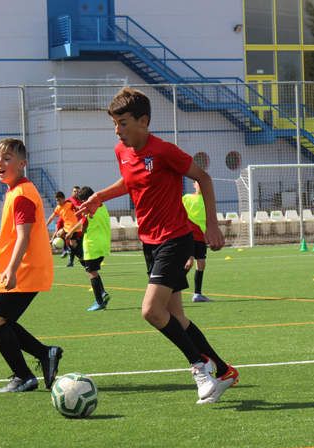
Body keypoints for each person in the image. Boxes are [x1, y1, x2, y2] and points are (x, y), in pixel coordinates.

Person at [77, 87, 238, 404]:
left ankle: (200, 369)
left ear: (144, 121)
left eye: (123, 123)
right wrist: (98, 198)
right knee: (176, 317)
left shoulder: (164, 151)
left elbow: (203, 178)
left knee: (151, 311)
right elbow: (129, 181)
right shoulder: (122, 152)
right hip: (149, 243)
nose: (118, 130)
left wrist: (213, 226)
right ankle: (222, 370)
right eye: (115, 124)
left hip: (175, 240)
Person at [0, 138, 63, 392]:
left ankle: (25, 375)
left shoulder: (22, 195)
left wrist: (12, 268)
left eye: (7, 159)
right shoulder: (16, 190)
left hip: (25, 269)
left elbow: (24, 236)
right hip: (24, 268)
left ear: (22, 164)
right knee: (0, 321)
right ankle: (45, 354)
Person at [75, 186, 112, 311]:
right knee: (93, 269)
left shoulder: (90, 210)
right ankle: (102, 293)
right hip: (103, 243)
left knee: (91, 272)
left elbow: (83, 227)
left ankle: (99, 302)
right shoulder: (102, 206)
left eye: (82, 201)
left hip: (92, 244)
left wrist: (69, 233)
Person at [182, 180, 211, 302]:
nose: (200, 185)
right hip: (188, 234)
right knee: (189, 262)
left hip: (201, 236)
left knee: (202, 264)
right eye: (197, 183)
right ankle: (169, 287)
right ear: (194, 185)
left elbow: (209, 218)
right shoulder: (187, 198)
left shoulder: (207, 201)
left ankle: (197, 294)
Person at [47, 191, 81, 267]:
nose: (58, 202)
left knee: (73, 244)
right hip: (66, 227)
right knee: (60, 234)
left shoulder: (69, 204)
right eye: (56, 200)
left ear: (63, 199)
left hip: (73, 227)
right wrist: (46, 225)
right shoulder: (58, 208)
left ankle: (72, 252)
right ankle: (67, 250)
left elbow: (77, 208)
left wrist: (81, 208)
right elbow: (52, 217)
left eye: (59, 200)